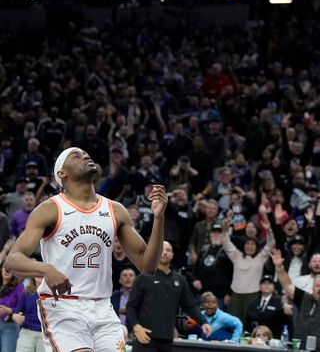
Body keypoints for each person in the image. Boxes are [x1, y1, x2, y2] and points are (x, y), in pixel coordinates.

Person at [4, 147, 170, 352]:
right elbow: (12, 260)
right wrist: (46, 269)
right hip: (62, 306)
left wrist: (159, 218)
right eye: (76, 156)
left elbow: (148, 265)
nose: (85, 156)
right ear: (61, 174)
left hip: (103, 308)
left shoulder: (115, 210)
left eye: (86, 155)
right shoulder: (50, 208)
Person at [126, 241, 212, 351]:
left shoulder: (179, 280)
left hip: (167, 340)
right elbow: (131, 306)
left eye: (168, 250)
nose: (165, 253)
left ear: (172, 255)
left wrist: (203, 322)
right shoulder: (143, 277)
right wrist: (137, 328)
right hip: (145, 338)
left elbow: (190, 305)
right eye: (161, 250)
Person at [12, 274, 44, 352]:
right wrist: (16, 317)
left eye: (42, 271)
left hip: (45, 336)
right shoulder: (26, 293)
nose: (39, 274)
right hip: (27, 333)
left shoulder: (53, 295)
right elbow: (16, 312)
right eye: (37, 271)